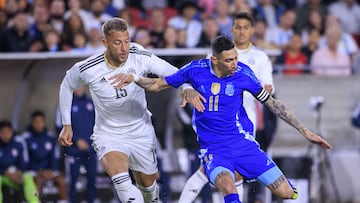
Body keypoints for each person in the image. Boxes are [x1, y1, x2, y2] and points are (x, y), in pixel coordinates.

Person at [111, 35, 332, 203]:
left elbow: (273, 104)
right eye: (229, 60)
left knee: (286, 193)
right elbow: (158, 84)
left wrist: (306, 132)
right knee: (228, 187)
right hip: (213, 149)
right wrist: (134, 78)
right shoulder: (196, 70)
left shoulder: (243, 74)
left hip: (242, 143)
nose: (234, 63)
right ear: (214, 60)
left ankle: (256, 177)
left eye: (235, 57)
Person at [57, 17, 198, 203]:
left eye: (126, 41)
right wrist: (67, 124)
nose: (124, 48)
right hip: (109, 134)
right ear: (105, 43)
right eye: (117, 42)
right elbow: (67, 84)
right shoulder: (89, 67)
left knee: (148, 189)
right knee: (122, 183)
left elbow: (171, 71)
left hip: (141, 132)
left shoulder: (138, 54)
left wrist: (186, 87)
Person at [179, 12, 276, 203]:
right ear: (232, 29)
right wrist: (187, 89)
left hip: (246, 123)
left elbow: (268, 89)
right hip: (216, 121)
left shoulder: (260, 57)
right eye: (238, 27)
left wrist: (264, 89)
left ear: (252, 30)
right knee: (212, 169)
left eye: (246, 27)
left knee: (226, 172)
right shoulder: (218, 53)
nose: (241, 31)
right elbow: (193, 76)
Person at [21, 111, 68, 202]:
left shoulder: (51, 137)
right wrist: (38, 171)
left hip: (49, 171)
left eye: (41, 122)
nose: (38, 124)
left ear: (44, 122)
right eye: (36, 122)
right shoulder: (25, 138)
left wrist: (51, 170)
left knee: (61, 181)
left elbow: (55, 157)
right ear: (32, 123)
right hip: (33, 171)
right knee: (38, 181)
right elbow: (24, 159)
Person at [63, 87, 97, 203]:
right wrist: (76, 140)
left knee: (92, 178)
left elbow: (99, 124)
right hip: (73, 150)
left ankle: (90, 201)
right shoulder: (66, 104)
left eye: (81, 85)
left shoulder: (91, 103)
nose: (79, 88)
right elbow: (59, 125)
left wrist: (93, 142)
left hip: (91, 148)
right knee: (73, 180)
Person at [0, 120, 39, 203]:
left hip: (16, 175)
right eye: (3, 132)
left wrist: (19, 172)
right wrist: (5, 172)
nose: (5, 135)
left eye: (8, 132)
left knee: (27, 177)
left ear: (12, 132)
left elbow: (24, 161)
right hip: (3, 176)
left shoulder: (18, 143)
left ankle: (34, 201)